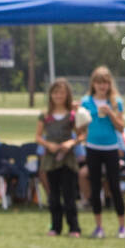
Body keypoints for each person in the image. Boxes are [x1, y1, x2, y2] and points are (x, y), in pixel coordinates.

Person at [80, 67, 125, 238]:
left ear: (110, 84)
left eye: (106, 82)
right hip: (93, 147)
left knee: (114, 186)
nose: (102, 86)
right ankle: (98, 226)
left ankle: (122, 227)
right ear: (93, 84)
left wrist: (110, 113)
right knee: (95, 186)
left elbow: (121, 127)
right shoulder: (86, 101)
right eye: (99, 82)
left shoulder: (116, 102)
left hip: (111, 148)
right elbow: (80, 125)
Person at [35, 79, 81, 237]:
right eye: (55, 92)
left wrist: (71, 142)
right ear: (51, 95)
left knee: (69, 194)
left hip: (68, 158)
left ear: (67, 94)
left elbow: (82, 134)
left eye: (62, 92)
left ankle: (74, 227)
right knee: (53, 195)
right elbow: (38, 136)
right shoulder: (45, 116)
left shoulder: (72, 115)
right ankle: (55, 227)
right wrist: (48, 145)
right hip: (51, 158)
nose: (58, 95)